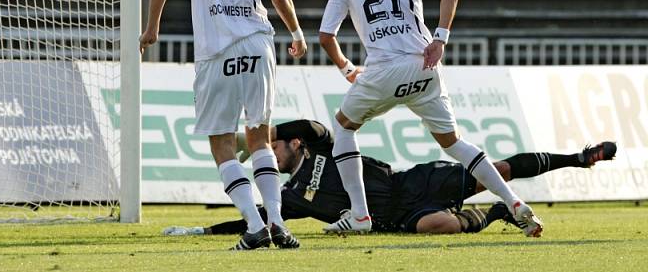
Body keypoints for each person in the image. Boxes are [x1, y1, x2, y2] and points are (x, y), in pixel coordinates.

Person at [318, 0, 543, 235]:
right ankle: (514, 201)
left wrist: (347, 69)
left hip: (383, 69)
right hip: (424, 67)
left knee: (343, 127)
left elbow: (326, 35)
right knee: (453, 142)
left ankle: (359, 215)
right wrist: (440, 39)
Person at [139, 0, 308, 250]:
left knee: (222, 143)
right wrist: (296, 33)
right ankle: (278, 223)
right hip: (257, 43)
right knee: (261, 137)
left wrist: (152, 28)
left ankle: (254, 226)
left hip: (216, 52)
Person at [162, 119, 617, 236]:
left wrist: (260, 134)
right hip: (398, 219)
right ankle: (496, 213)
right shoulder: (291, 196)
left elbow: (308, 126)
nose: (271, 152)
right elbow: (257, 219)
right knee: (435, 226)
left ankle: (577, 158)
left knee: (494, 170)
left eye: (274, 147)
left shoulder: (318, 143)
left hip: (409, 184)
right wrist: (201, 227)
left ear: (293, 145)